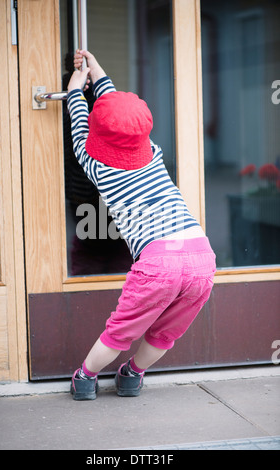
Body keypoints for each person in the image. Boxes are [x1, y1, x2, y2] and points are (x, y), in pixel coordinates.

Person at [67, 50, 216, 400]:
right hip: (200, 254)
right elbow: (120, 113)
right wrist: (96, 68)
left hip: (158, 262)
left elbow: (81, 122)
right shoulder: (152, 150)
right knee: (164, 334)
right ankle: (132, 376)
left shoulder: (95, 164)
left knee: (119, 332)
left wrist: (76, 89)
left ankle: (85, 380)